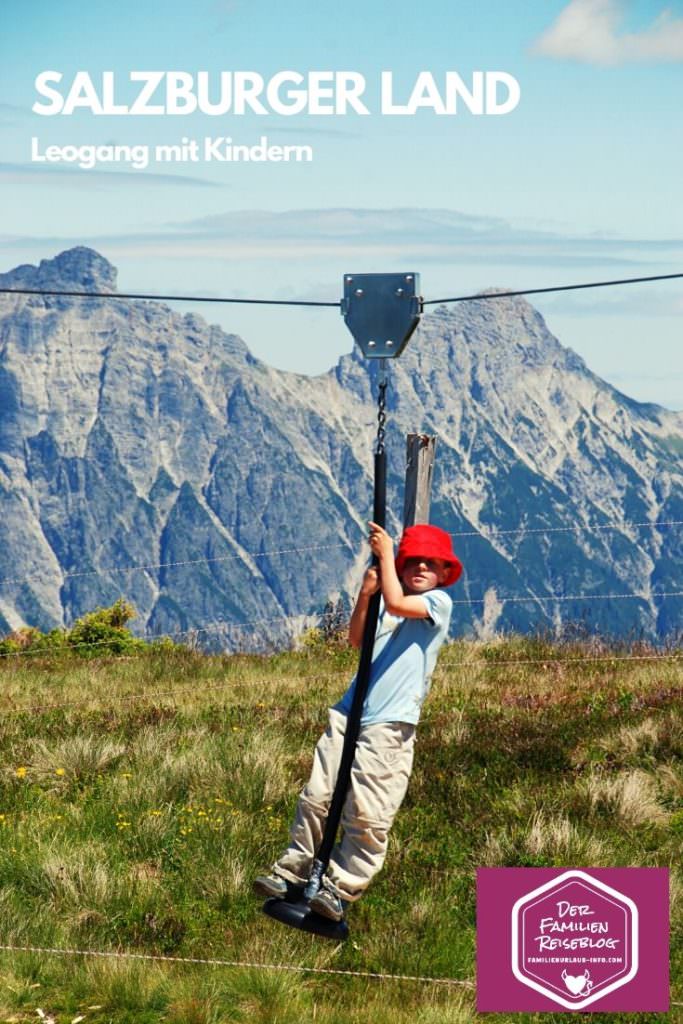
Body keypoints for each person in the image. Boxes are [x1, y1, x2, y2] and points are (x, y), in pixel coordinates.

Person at [253, 521, 462, 921]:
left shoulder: (437, 603)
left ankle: (340, 888)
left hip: (390, 723)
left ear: (443, 573)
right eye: (411, 561)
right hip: (351, 712)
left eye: (429, 563)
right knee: (317, 795)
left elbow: (402, 604)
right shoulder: (388, 598)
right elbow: (356, 638)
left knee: (367, 810)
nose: (420, 568)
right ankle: (293, 872)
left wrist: (386, 555)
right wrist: (367, 595)